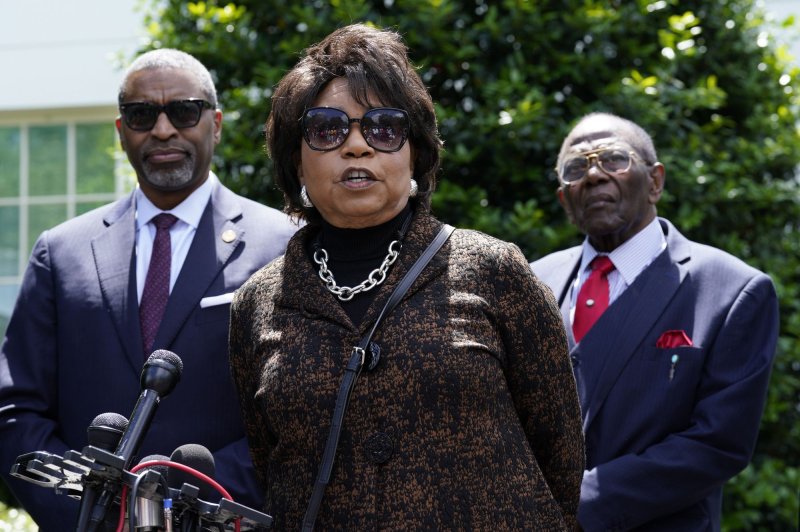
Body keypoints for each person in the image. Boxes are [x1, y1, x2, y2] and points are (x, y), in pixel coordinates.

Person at [228, 23, 584, 530]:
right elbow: (273, 465)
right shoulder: (258, 302)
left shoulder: (493, 269)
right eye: (328, 129)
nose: (356, 146)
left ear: (414, 151)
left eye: (384, 127)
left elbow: (561, 455)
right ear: (295, 161)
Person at [0, 49, 298, 529]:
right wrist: (93, 513)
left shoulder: (282, 244)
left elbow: (297, 409)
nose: (163, 130)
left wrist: (188, 511)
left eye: (183, 111)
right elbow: (16, 409)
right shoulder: (61, 251)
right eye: (142, 115)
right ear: (122, 133)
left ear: (215, 124)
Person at [530, 112, 779, 531]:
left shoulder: (732, 290)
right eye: (576, 167)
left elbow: (717, 444)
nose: (593, 174)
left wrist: (576, 507)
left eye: (613, 158)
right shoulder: (532, 281)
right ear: (563, 198)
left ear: (655, 181)